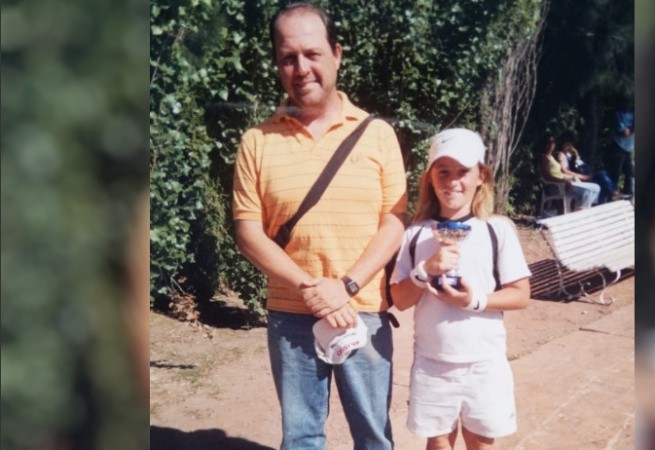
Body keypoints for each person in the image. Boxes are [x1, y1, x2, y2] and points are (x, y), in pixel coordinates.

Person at [232, 3, 407, 449]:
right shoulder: (257, 141)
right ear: (277, 64)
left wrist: (344, 287)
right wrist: (314, 289)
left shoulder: (377, 134)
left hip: (363, 311)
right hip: (291, 314)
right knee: (301, 438)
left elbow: (393, 222)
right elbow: (249, 234)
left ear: (337, 55)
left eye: (312, 54)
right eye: (288, 57)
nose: (301, 68)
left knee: (373, 438)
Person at [390, 128, 531, 450]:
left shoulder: (498, 231)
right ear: (430, 178)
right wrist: (424, 272)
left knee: (480, 443)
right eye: (443, 171)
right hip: (432, 363)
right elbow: (399, 299)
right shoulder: (415, 235)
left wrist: (474, 299)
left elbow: (520, 295)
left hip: (484, 362)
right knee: (438, 444)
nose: (452, 181)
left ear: (481, 175)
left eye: (463, 171)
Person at [538, 134, 600, 210]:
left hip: (565, 184)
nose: (551, 144)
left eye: (553, 142)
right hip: (556, 186)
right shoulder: (544, 158)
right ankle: (579, 212)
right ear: (544, 144)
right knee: (586, 191)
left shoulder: (552, 157)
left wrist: (573, 177)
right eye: (549, 142)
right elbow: (547, 176)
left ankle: (583, 209)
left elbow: (560, 173)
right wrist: (564, 180)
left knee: (596, 188)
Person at [558, 133, 622, 204]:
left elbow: (579, 163)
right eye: (567, 143)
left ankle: (607, 198)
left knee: (602, 179)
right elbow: (565, 170)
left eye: (570, 143)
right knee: (602, 174)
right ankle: (613, 194)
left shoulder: (572, 152)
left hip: (586, 173)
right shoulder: (561, 155)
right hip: (580, 178)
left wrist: (576, 155)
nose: (569, 145)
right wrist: (582, 176)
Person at [611, 108, 634, 196]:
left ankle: (628, 194)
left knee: (630, 173)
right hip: (618, 146)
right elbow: (624, 133)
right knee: (616, 172)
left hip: (629, 148)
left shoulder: (633, 113)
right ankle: (612, 194)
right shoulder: (619, 114)